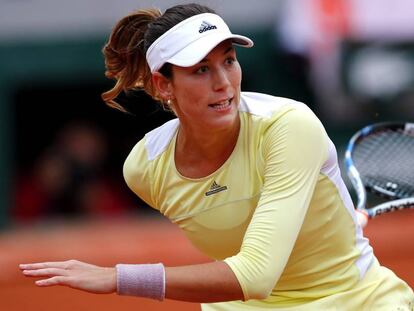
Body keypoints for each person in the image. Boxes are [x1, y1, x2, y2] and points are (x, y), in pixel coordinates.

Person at [19, 3, 414, 310]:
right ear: (163, 84)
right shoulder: (145, 170)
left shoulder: (289, 126)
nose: (223, 82)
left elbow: (256, 275)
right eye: (200, 70)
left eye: (228, 60)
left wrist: (117, 278)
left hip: (356, 303)